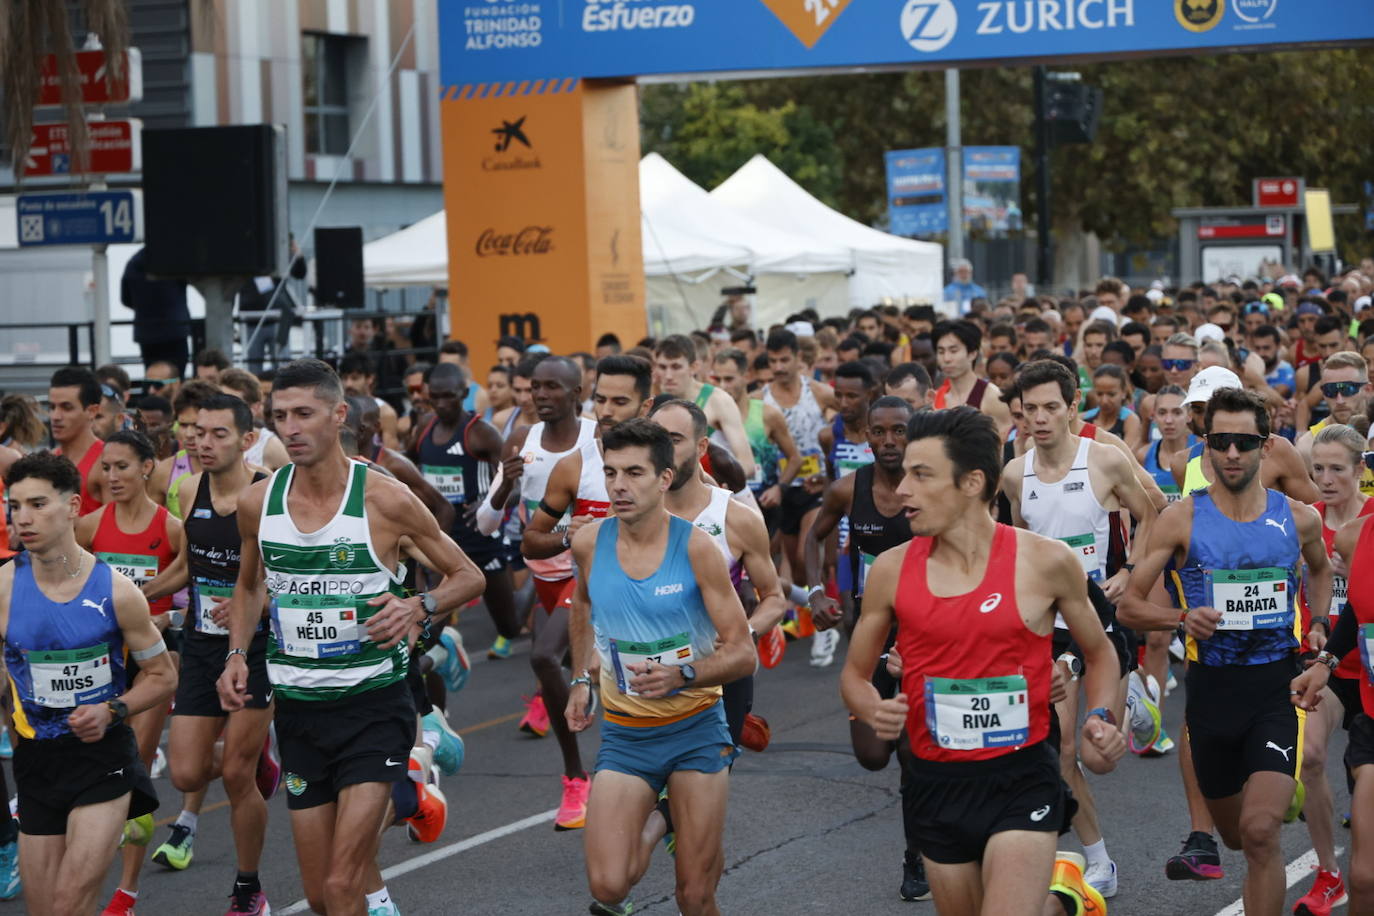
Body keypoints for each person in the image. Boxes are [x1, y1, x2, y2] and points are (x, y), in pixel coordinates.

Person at [216, 359, 484, 916]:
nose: (290, 428)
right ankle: (414, 784)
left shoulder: (383, 500)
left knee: (342, 886)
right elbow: (246, 588)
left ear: (339, 415)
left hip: (373, 709)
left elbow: (468, 576)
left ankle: (409, 769)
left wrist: (419, 606)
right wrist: (237, 655)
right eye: (280, 416)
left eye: (304, 414)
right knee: (320, 897)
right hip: (299, 713)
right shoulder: (256, 503)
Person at [841, 406, 1125, 916]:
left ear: (972, 482)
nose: (902, 489)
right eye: (903, 472)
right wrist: (870, 706)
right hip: (935, 782)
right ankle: (1063, 900)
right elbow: (855, 676)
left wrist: (1101, 717)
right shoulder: (890, 570)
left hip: (1022, 776)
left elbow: (1101, 652)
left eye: (920, 474)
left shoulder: (1046, 561)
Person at [1120, 386, 1332, 916]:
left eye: (1243, 442)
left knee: (1261, 834)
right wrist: (1179, 617)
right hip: (1211, 695)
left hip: (1274, 687)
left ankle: (1277, 787)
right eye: (1221, 441)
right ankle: (1266, 794)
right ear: (1206, 445)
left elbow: (1322, 567)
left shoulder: (1298, 516)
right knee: (1237, 836)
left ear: (1265, 446)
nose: (1232, 454)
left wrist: (1322, 621)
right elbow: (1128, 607)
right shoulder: (1181, 519)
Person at [565, 418, 756, 916]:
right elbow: (583, 607)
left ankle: (665, 816)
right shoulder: (588, 543)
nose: (619, 486)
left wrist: (684, 674)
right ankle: (659, 818)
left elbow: (742, 651)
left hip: (696, 731)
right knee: (608, 886)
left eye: (634, 473)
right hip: (627, 737)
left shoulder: (696, 548)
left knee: (694, 895)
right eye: (610, 473)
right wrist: (580, 680)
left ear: (665, 478)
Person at [1001, 359, 1158, 899]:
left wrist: (1130, 570)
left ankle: (1133, 696)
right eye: (1029, 410)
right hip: (1050, 626)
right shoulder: (1012, 473)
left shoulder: (1107, 461)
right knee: (1063, 750)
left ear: (1073, 408)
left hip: (1101, 616)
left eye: (1050, 408)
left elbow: (1153, 514)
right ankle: (1100, 860)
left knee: (1098, 758)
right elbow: (1019, 545)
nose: (1039, 420)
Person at [2, 450, 175, 916]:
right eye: (14, 506)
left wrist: (113, 710)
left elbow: (162, 676)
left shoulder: (117, 591)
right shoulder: (3, 589)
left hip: (103, 761)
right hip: (37, 761)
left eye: (38, 504)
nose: (23, 518)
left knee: (70, 903)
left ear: (74, 506)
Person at [140, 395, 275, 914]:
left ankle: (248, 889)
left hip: (260, 646)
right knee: (186, 773)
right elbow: (187, 565)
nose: (204, 442)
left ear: (245, 440)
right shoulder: (189, 488)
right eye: (197, 431)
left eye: (219, 433)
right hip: (200, 644)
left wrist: (251, 607)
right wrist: (136, 592)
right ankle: (257, 750)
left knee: (238, 776)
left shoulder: (268, 493)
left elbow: (287, 575)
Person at [804, 396, 930, 898]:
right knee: (874, 756)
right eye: (879, 432)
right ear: (867, 437)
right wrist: (815, 592)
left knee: (911, 752)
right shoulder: (847, 489)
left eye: (899, 431)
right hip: (872, 636)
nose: (888, 441)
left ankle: (917, 856)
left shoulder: (925, 490)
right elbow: (813, 538)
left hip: (922, 635)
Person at [478, 356, 598, 830]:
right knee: (565, 666)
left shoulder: (596, 440)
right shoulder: (519, 441)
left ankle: (575, 778)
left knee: (544, 656)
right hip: (542, 573)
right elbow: (488, 522)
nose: (540, 395)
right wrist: (505, 484)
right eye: (534, 388)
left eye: (552, 387)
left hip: (584, 571)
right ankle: (574, 692)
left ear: (576, 394)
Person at [73, 430, 182, 916]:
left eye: (122, 467)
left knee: (132, 759)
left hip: (157, 657)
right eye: (106, 468)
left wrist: (166, 614)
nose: (111, 476)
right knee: (109, 767)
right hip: (107, 659)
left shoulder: (172, 528)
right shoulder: (89, 527)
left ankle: (128, 892)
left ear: (146, 468)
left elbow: (192, 586)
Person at [1289, 423, 1374, 915]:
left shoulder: (1370, 526)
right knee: (1312, 754)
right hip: (1329, 663)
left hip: (1368, 667)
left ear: (1360, 471)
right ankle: (1328, 873)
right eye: (1317, 468)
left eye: (1337, 468)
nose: (1325, 478)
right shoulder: (1306, 522)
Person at [411, 363, 521, 661]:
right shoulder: (423, 428)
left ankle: (534, 591)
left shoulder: (481, 434)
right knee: (430, 621)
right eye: (436, 396)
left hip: (481, 540)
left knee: (510, 626)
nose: (442, 403)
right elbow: (405, 474)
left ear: (464, 394)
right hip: (441, 541)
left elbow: (515, 489)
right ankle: (441, 656)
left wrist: (489, 504)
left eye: (450, 396)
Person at [761, 328, 836, 591]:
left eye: (784, 360)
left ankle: (825, 617)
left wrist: (835, 452)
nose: (778, 367)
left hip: (815, 487)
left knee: (808, 554)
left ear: (797, 357)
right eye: (773, 361)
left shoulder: (819, 392)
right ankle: (814, 608)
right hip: (782, 491)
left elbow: (856, 415)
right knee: (797, 568)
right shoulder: (760, 399)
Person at [709, 348, 800, 536]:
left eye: (729, 379)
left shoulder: (768, 414)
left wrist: (779, 489)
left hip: (764, 506)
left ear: (746, 376)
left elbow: (795, 459)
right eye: (717, 380)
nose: (722, 386)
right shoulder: (707, 417)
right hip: (723, 508)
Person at [653, 335, 756, 480]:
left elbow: (747, 464)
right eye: (663, 367)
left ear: (694, 367)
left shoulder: (718, 400)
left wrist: (716, 491)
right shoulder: (652, 402)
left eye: (676, 367)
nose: (668, 375)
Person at [932, 320, 1012, 440]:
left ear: (972, 353)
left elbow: (1005, 444)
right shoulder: (937, 396)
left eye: (953, 351)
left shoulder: (992, 397)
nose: (946, 358)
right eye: (941, 352)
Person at [120, 247, 191, 380]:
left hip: (147, 330)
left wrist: (144, 308)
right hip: (175, 328)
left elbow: (125, 298)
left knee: (153, 378)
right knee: (176, 376)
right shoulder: (174, 258)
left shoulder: (134, 263)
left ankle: (155, 398)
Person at [49, 366, 106, 514]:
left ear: (92, 411)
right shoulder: (48, 460)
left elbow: (115, 527)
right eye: (52, 407)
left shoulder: (106, 462)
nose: (55, 416)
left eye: (66, 408)